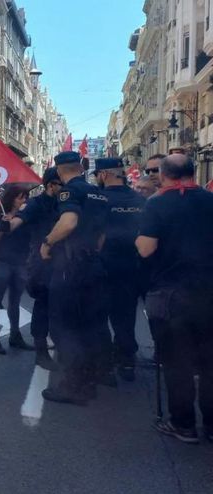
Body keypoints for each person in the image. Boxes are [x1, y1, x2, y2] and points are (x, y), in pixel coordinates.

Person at [136, 154, 213, 444]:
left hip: (172, 296)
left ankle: (183, 425)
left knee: (177, 363)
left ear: (164, 175)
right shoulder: (210, 200)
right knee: (210, 364)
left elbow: (145, 249)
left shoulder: (156, 204)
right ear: (193, 172)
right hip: (209, 292)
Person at [40, 151, 109, 406]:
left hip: (70, 267)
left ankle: (72, 385)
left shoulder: (70, 192)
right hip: (93, 265)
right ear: (81, 167)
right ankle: (88, 381)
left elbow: (68, 223)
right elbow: (102, 235)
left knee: (64, 327)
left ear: (59, 170)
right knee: (88, 326)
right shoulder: (98, 193)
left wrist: (47, 242)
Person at [4, 167, 62, 370]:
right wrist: (4, 225)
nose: (64, 187)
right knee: (43, 307)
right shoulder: (36, 204)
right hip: (42, 264)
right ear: (51, 185)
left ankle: (62, 349)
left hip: (64, 263)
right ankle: (41, 352)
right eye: (61, 183)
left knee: (61, 309)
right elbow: (18, 221)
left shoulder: (66, 202)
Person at [95, 158, 145, 383]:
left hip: (102, 266)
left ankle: (103, 364)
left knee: (98, 316)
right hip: (132, 267)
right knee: (125, 317)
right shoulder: (140, 199)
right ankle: (126, 361)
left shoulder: (98, 200)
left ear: (104, 174)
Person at [0, 185, 34, 354]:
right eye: (21, 197)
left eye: (26, 197)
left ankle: (15, 335)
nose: (24, 200)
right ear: (12, 198)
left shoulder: (27, 216)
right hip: (1, 261)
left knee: (15, 301)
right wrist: (2, 229)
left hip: (20, 263)